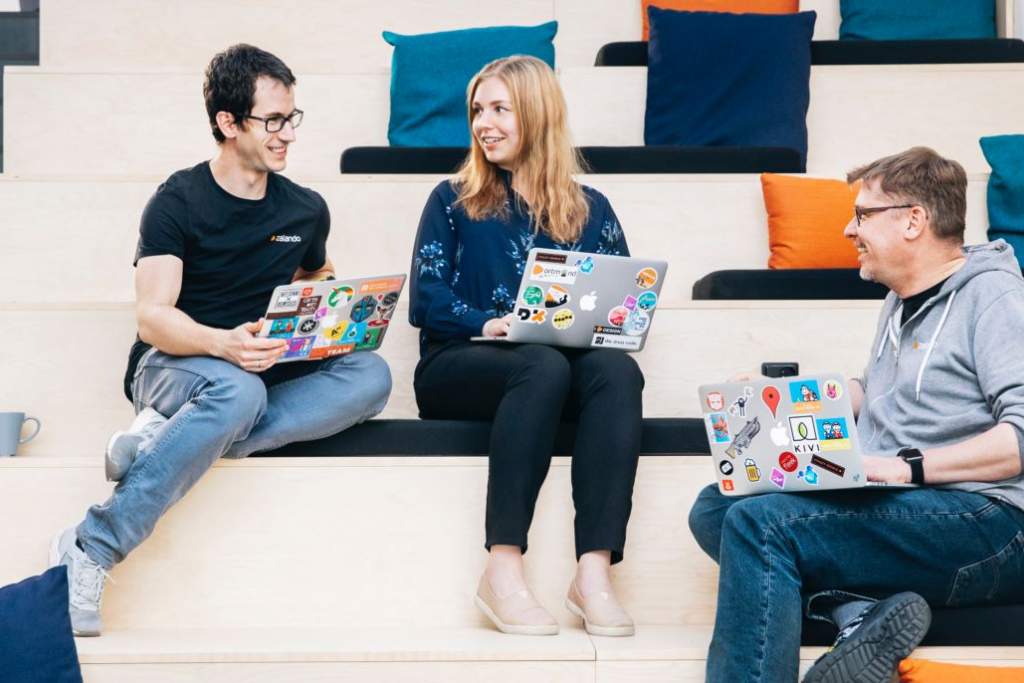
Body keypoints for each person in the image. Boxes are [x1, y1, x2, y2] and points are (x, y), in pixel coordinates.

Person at [49, 44, 392, 636]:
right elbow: (153, 318)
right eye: (273, 121)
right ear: (228, 123)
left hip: (260, 365)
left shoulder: (306, 209)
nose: (288, 134)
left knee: (372, 375)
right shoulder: (177, 201)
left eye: (292, 117)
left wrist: (316, 306)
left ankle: (173, 442)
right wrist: (222, 343)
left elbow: (317, 272)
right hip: (175, 362)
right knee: (238, 393)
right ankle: (91, 545)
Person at [689, 147, 1024, 683]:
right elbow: (875, 393)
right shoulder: (901, 298)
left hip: (990, 524)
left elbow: (1020, 438)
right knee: (719, 505)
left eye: (863, 214)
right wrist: (779, 397)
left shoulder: (994, 297)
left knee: (759, 523)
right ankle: (857, 613)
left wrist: (906, 468)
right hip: (917, 508)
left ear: (914, 220)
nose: (849, 229)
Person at [409, 55, 643, 637]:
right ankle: (502, 567)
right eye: (477, 110)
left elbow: (618, 306)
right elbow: (426, 299)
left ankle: (593, 573)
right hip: (459, 366)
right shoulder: (452, 199)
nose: (483, 124)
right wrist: (487, 323)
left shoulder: (592, 208)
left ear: (537, 115)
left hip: (551, 371)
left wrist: (612, 320)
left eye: (499, 109)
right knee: (540, 365)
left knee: (617, 373)